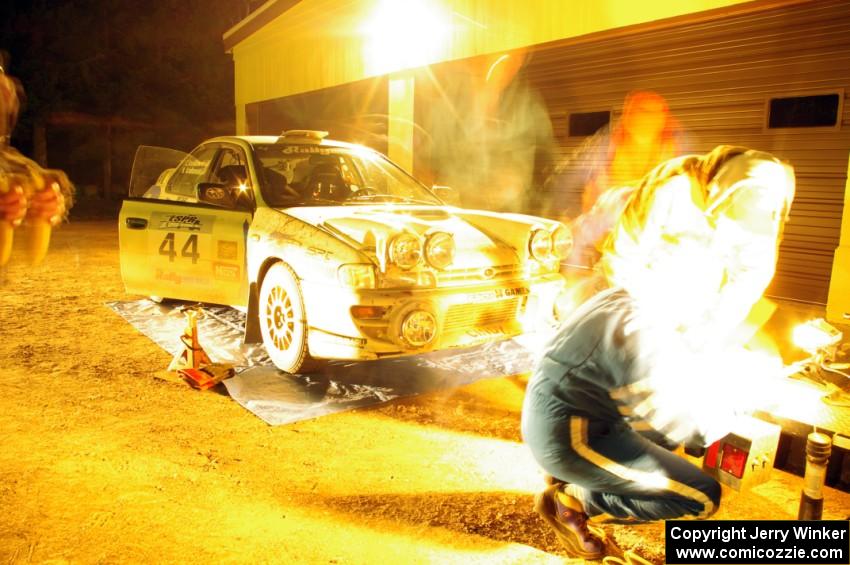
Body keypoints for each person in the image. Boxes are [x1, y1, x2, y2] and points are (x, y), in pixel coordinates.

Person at [521, 145, 795, 559]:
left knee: (660, 428)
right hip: (576, 423)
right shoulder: (672, 201)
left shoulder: (758, 209)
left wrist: (713, 341)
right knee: (700, 494)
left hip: (605, 381)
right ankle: (573, 498)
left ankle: (589, 475)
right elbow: (694, 426)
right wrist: (743, 397)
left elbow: (746, 283)